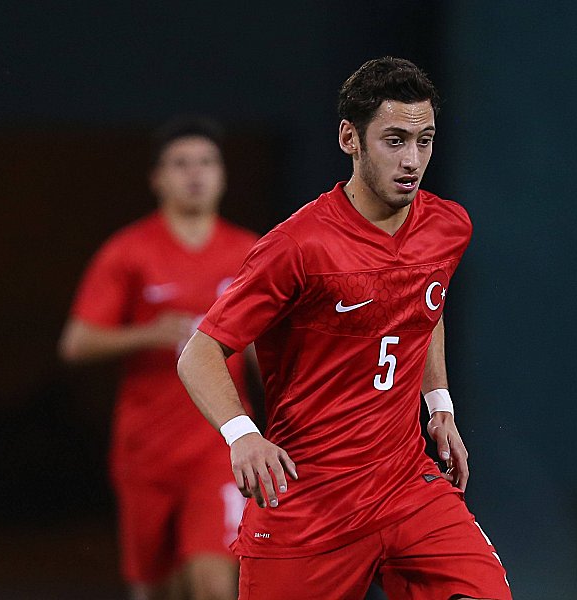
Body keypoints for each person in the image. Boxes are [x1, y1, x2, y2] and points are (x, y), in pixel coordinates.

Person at [178, 57, 512, 600]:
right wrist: (243, 436)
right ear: (349, 139)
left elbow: (426, 306)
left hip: (406, 485)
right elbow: (198, 353)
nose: (412, 160)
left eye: (425, 141)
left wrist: (440, 405)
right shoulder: (298, 247)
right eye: (395, 140)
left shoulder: (448, 226)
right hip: (312, 500)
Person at [59, 116, 259, 600]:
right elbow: (76, 342)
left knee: (213, 582)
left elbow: (269, 352)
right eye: (181, 163)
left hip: (220, 445)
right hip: (145, 449)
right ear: (157, 178)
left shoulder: (250, 251)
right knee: (156, 587)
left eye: (207, 162)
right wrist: (148, 333)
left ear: (223, 174)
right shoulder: (129, 251)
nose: (195, 174)